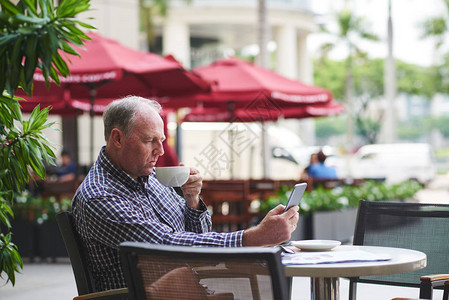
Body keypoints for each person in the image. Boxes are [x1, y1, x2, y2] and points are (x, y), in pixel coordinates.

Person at [72, 96, 299, 291]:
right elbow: (164, 247)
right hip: (140, 294)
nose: (160, 151)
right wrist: (253, 238)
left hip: (184, 287)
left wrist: (191, 201)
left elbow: (194, 238)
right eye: (150, 140)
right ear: (118, 138)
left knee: (266, 275)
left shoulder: (149, 177)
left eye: (161, 141)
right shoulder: (99, 195)